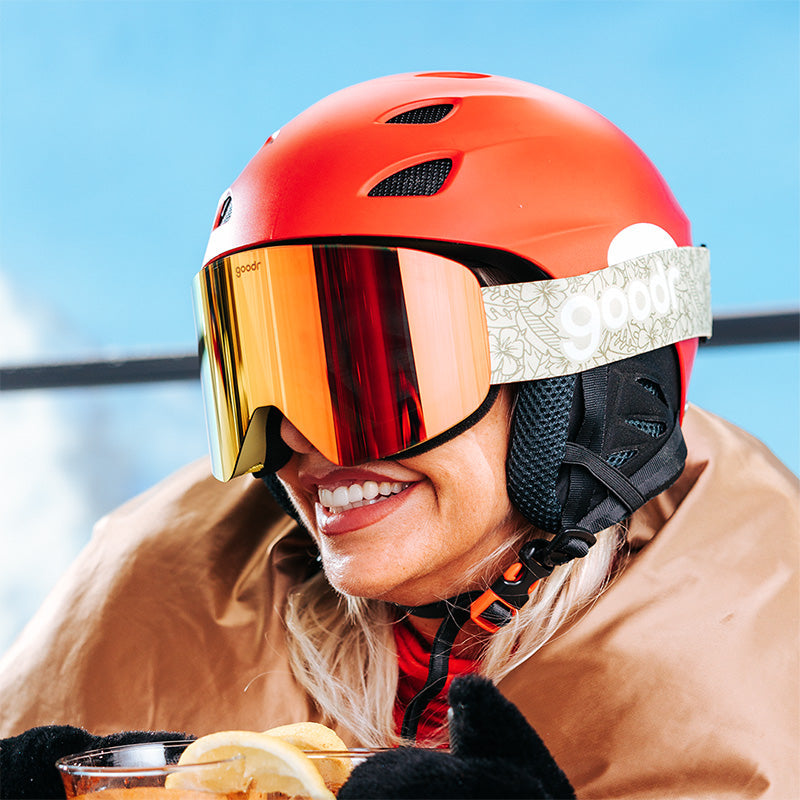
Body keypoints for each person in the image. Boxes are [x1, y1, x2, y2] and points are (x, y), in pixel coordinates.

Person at [0, 72, 797, 799]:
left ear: (588, 376)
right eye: (264, 380)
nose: (302, 442)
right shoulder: (166, 573)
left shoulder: (748, 655)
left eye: (383, 377)